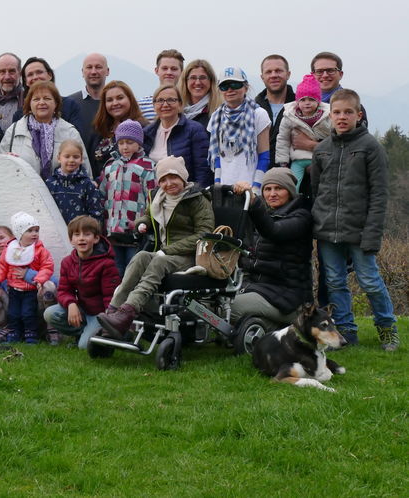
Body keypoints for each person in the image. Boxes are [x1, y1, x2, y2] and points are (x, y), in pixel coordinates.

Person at [312, 89, 397, 351]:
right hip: (328, 231)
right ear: (330, 115)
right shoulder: (322, 149)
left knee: (370, 281)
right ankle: (347, 331)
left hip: (360, 231)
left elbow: (379, 194)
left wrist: (372, 234)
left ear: (358, 115)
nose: (342, 117)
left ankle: (387, 329)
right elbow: (317, 191)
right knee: (336, 282)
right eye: (337, 112)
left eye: (348, 112)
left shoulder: (370, 147)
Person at [98, 156, 214, 339]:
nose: (168, 183)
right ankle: (112, 312)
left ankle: (128, 312)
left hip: (190, 255)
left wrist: (166, 251)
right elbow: (148, 216)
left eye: (173, 177)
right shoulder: (157, 197)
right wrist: (142, 223)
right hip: (165, 253)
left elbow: (204, 235)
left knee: (158, 261)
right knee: (141, 257)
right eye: (163, 180)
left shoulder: (198, 200)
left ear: (183, 177)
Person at [229, 169, 312, 327]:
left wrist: (253, 202)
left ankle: (277, 327)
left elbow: (273, 231)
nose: (272, 194)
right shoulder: (262, 214)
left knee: (228, 308)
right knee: (213, 299)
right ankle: (266, 326)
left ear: (289, 192)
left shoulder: (302, 217)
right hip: (256, 288)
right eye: (267, 189)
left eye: (278, 188)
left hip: (288, 297)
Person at [43, 215, 119, 349]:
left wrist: (110, 322)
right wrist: (71, 303)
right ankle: (83, 332)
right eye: (77, 234)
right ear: (71, 240)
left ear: (96, 239)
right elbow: (64, 291)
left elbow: (111, 296)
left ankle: (97, 334)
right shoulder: (67, 262)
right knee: (50, 313)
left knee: (84, 346)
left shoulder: (107, 264)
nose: (81, 238)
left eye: (87, 234)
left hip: (100, 314)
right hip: (82, 309)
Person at [0, 211, 54, 344]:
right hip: (14, 291)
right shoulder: (11, 250)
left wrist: (37, 279)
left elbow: (47, 267)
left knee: (28, 313)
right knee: (13, 314)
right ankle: (13, 334)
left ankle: (31, 336)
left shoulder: (40, 250)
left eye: (36, 230)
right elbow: (2, 268)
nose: (35, 234)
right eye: (30, 231)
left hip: (30, 291)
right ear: (20, 234)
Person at [99, 120, 157, 276]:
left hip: (136, 231)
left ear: (139, 143)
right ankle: (116, 299)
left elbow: (153, 198)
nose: (125, 147)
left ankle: (131, 299)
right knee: (116, 269)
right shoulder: (110, 166)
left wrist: (148, 223)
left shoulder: (147, 167)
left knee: (134, 270)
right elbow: (102, 196)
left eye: (130, 142)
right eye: (121, 143)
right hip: (113, 231)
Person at [0, 81, 86, 180]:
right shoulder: (14, 130)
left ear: (56, 103)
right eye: (36, 99)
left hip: (63, 194)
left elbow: (85, 170)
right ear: (29, 104)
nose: (42, 102)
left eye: (47, 98)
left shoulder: (70, 132)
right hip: (23, 193)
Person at [208, 67, 270, 193]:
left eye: (235, 85)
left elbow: (264, 156)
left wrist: (256, 187)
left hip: (250, 188)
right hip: (225, 188)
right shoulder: (216, 117)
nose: (230, 90)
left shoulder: (258, 114)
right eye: (224, 86)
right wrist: (218, 184)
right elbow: (217, 157)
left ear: (245, 87)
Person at [142, 84, 211, 186]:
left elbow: (203, 170)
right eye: (160, 100)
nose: (165, 105)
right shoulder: (147, 133)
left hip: (185, 195)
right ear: (154, 105)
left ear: (180, 104)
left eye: (171, 100)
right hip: (154, 195)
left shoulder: (194, 130)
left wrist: (197, 195)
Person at [275, 74, 331, 188]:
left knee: (322, 185)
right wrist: (283, 162)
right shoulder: (289, 117)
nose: (307, 102)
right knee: (292, 184)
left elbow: (334, 136)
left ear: (318, 101)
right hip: (298, 160)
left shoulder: (327, 116)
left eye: (311, 99)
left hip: (321, 159)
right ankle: (292, 202)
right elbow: (283, 139)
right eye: (303, 99)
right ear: (297, 102)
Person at [87, 81, 146, 176]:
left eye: (120, 98)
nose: (115, 103)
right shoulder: (98, 130)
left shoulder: (142, 128)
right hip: (101, 187)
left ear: (130, 99)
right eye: (109, 100)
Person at [14, 57, 82, 135]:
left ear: (50, 75)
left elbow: (77, 140)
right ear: (26, 81)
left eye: (39, 72)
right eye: (30, 74)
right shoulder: (20, 115)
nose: (35, 77)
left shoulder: (70, 106)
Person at [45, 139, 104, 224]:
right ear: (59, 158)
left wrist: (89, 232)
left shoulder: (87, 184)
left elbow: (96, 212)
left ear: (81, 159)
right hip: (57, 233)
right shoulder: (50, 183)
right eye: (67, 156)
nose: (71, 160)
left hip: (80, 233)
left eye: (76, 157)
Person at [255, 54, 296, 168]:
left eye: (278, 71)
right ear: (262, 77)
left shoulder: (302, 107)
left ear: (288, 74)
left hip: (292, 178)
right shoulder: (252, 109)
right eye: (268, 72)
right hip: (258, 178)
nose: (273, 75)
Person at [67, 53, 110, 144]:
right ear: (82, 72)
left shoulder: (117, 104)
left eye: (98, 67)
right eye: (89, 67)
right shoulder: (68, 104)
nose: (93, 72)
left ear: (107, 71)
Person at [137, 49, 185, 121]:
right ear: (156, 71)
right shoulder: (141, 106)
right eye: (164, 68)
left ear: (182, 72)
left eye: (174, 69)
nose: (169, 72)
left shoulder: (189, 105)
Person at [178, 59, 221, 129]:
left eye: (203, 78)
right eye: (193, 78)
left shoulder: (219, 113)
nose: (197, 82)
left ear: (211, 81)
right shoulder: (176, 113)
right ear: (185, 82)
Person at [0, 53, 24, 131]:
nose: (7, 77)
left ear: (20, 74)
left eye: (12, 71)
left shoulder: (28, 101)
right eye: (2, 72)